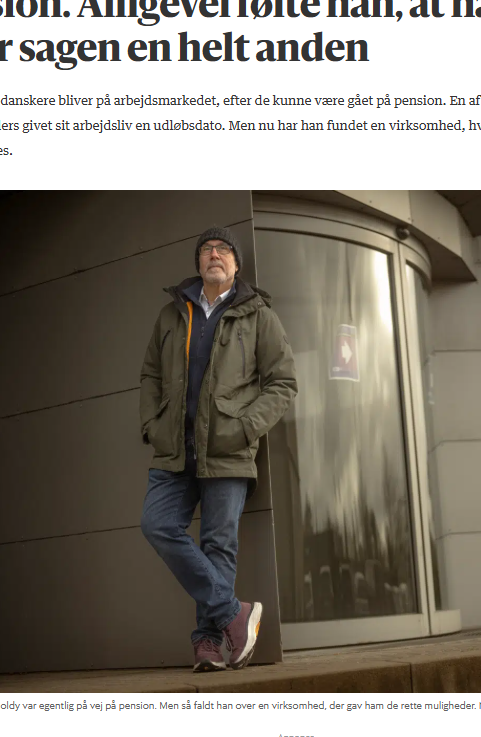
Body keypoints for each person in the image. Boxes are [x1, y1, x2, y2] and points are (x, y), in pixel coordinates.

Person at [139, 226, 297, 672]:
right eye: (207, 249)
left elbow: (283, 382)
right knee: (157, 525)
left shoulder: (258, 314)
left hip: (228, 448)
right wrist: (151, 424)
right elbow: (150, 374)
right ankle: (234, 615)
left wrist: (246, 427)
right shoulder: (171, 314)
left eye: (224, 249)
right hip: (175, 450)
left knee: (217, 545)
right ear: (198, 263)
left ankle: (208, 645)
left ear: (236, 264)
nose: (215, 255)